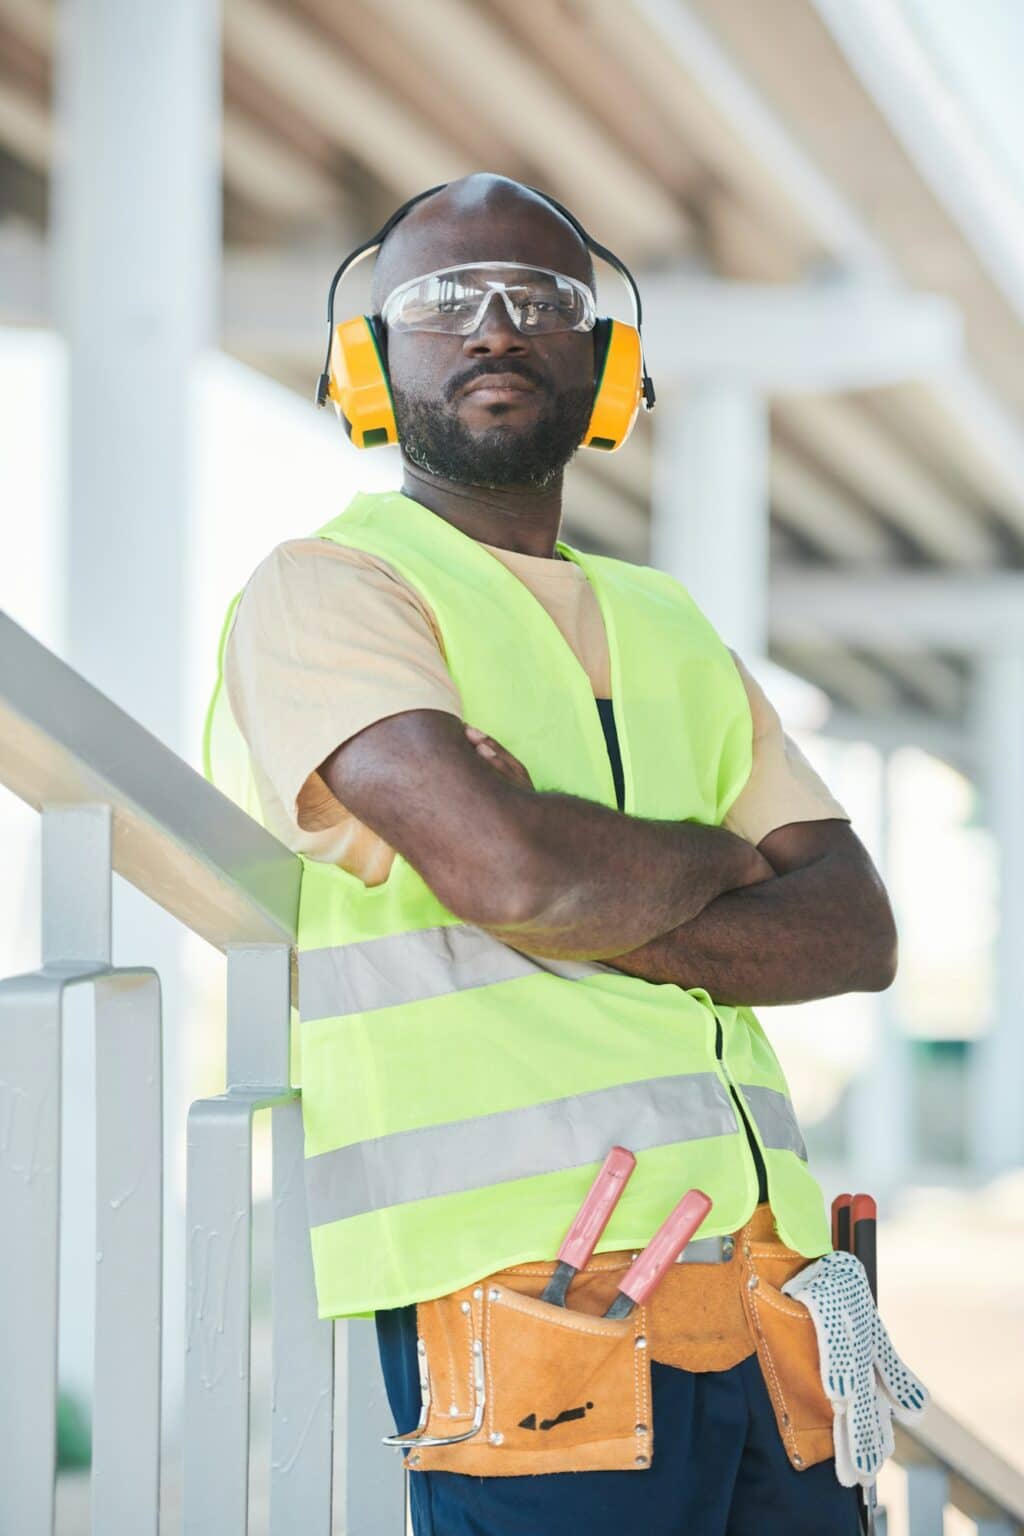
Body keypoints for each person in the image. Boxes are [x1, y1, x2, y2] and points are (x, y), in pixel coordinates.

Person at [215, 174, 898, 1535]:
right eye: (443, 303)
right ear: (373, 360)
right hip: (536, 1298)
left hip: (771, 1301)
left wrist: (593, 881)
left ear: (605, 364)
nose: (493, 329)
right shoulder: (334, 589)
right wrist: (722, 863)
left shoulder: (670, 624)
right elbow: (517, 878)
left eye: (540, 302)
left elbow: (855, 932)